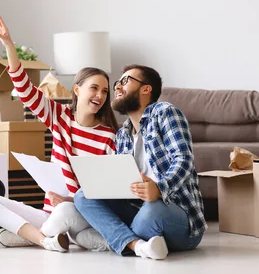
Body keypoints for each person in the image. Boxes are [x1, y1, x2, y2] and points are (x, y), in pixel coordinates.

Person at [0, 14, 119, 253]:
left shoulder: (108, 137)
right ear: (77, 89)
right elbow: (24, 88)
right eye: (94, 88)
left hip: (77, 212)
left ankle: (32, 237)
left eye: (105, 91)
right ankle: (47, 240)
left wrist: (68, 200)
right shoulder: (59, 116)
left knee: (64, 211)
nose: (100, 95)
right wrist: (9, 45)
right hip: (49, 213)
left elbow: (106, 194)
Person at [74, 65, 207, 260]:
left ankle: (116, 238)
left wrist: (159, 189)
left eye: (125, 81)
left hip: (176, 216)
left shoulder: (165, 112)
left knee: (151, 211)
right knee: (83, 195)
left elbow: (183, 160)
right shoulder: (122, 135)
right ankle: (136, 244)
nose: (117, 87)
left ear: (146, 89)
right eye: (118, 83)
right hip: (139, 209)